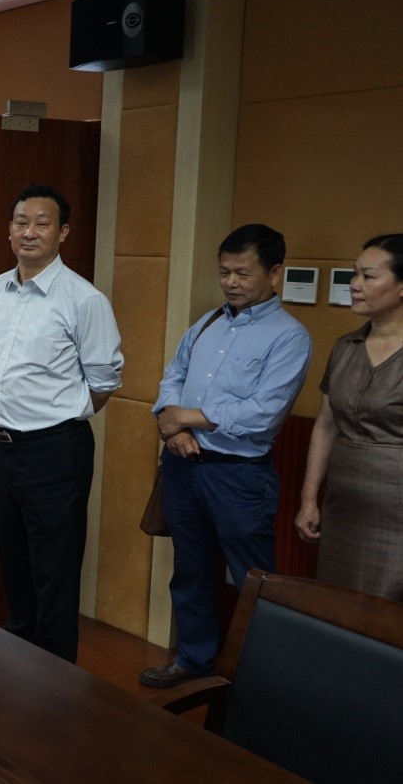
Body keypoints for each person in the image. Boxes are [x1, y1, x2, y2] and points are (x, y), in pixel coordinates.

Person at [141, 223, 312, 688]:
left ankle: (265, 679)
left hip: (238, 476)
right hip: (184, 466)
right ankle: (194, 659)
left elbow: (263, 413)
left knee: (253, 579)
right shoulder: (207, 322)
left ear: (275, 273)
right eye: (224, 272)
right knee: (190, 570)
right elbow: (173, 376)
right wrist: (173, 426)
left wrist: (187, 417)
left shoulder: (289, 336)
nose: (231, 282)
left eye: (243, 273)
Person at [0, 185, 123, 663]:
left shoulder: (84, 300)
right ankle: (18, 667)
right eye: (21, 222)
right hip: (1, 448)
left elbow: (103, 381)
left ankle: (54, 681)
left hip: (55, 450)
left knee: (55, 572)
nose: (30, 232)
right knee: (14, 565)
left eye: (42, 224)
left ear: (63, 233)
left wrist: (58, 420)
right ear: (8, 229)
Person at [295, 234, 403, 601]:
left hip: (396, 507)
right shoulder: (345, 347)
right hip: (343, 502)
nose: (355, 285)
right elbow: (326, 427)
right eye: (354, 274)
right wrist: (309, 499)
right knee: (337, 601)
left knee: (385, 610)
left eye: (369, 276)